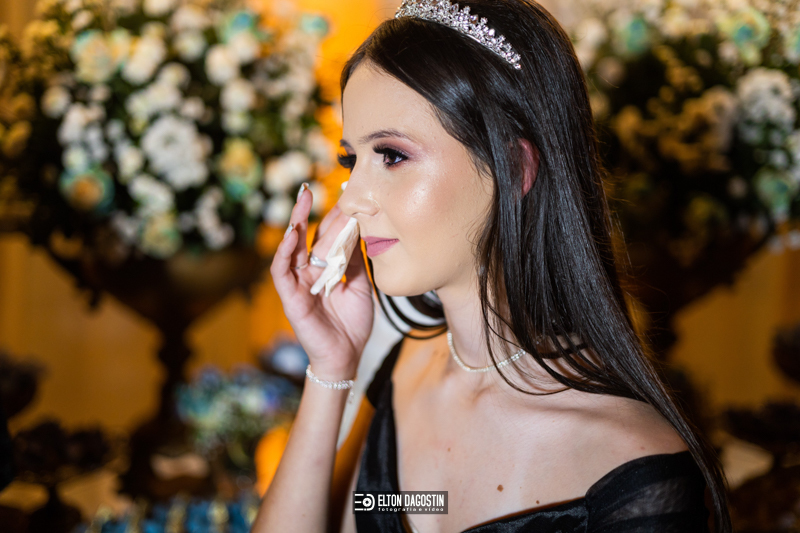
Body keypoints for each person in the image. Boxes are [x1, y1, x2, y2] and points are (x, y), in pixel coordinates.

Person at [253, 0, 732, 531]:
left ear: (513, 167)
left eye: (391, 155)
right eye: (351, 160)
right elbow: (389, 508)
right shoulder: (402, 371)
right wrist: (330, 370)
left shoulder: (633, 468)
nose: (352, 198)